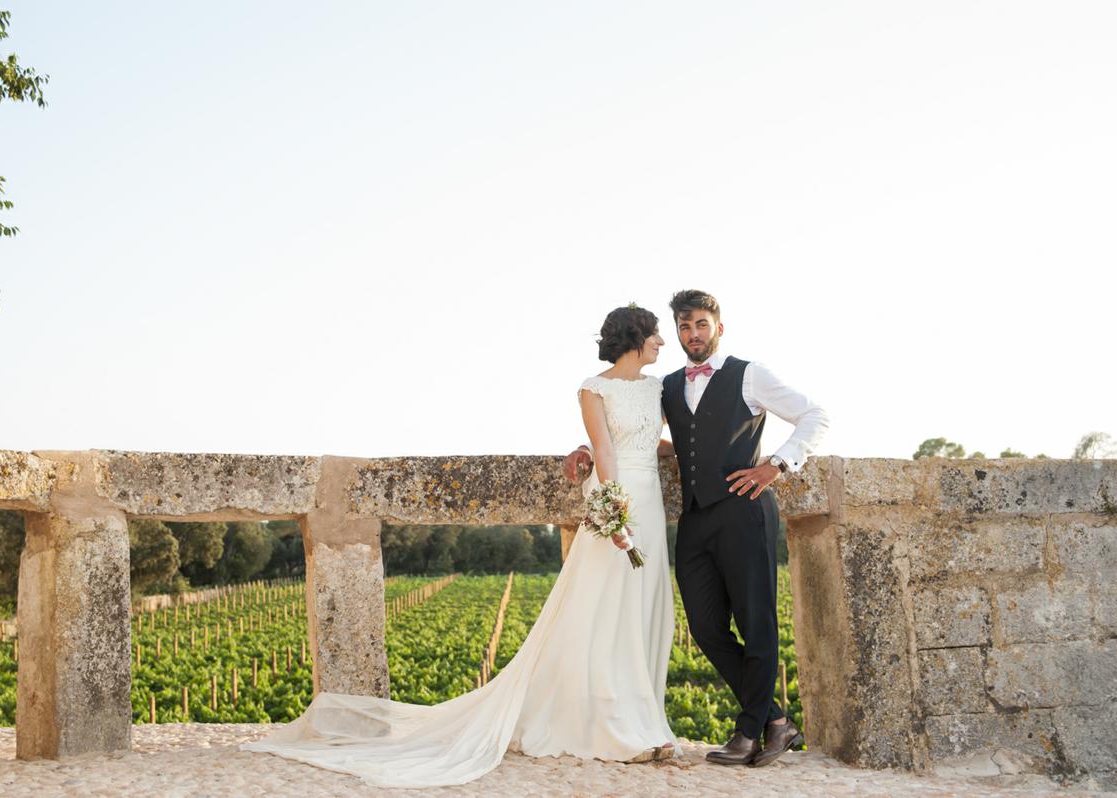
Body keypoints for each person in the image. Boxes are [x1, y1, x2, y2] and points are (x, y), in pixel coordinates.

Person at [240, 304, 678, 787]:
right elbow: (606, 449)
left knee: (642, 604)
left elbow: (647, 441)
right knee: (602, 607)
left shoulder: (656, 387)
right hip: (615, 497)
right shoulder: (593, 388)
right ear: (636, 337)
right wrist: (613, 511)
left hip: (650, 498)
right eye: (656, 334)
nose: (662, 342)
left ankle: (646, 717)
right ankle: (613, 725)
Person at [564, 289, 830, 767]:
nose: (691, 335)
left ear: (718, 328)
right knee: (706, 628)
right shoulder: (664, 385)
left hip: (745, 512)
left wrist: (777, 465)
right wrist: (586, 447)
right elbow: (636, 431)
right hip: (695, 519)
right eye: (684, 327)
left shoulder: (751, 375)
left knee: (756, 623)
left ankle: (750, 731)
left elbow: (816, 415)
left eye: (701, 325)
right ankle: (775, 720)